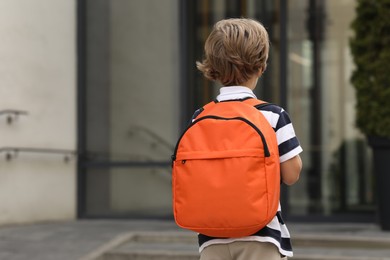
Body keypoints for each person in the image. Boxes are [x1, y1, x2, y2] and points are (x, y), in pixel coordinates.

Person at [194, 18, 303, 260]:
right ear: (262, 65)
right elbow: (292, 174)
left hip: (211, 237)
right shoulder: (273, 115)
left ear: (213, 66)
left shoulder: (200, 117)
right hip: (262, 235)